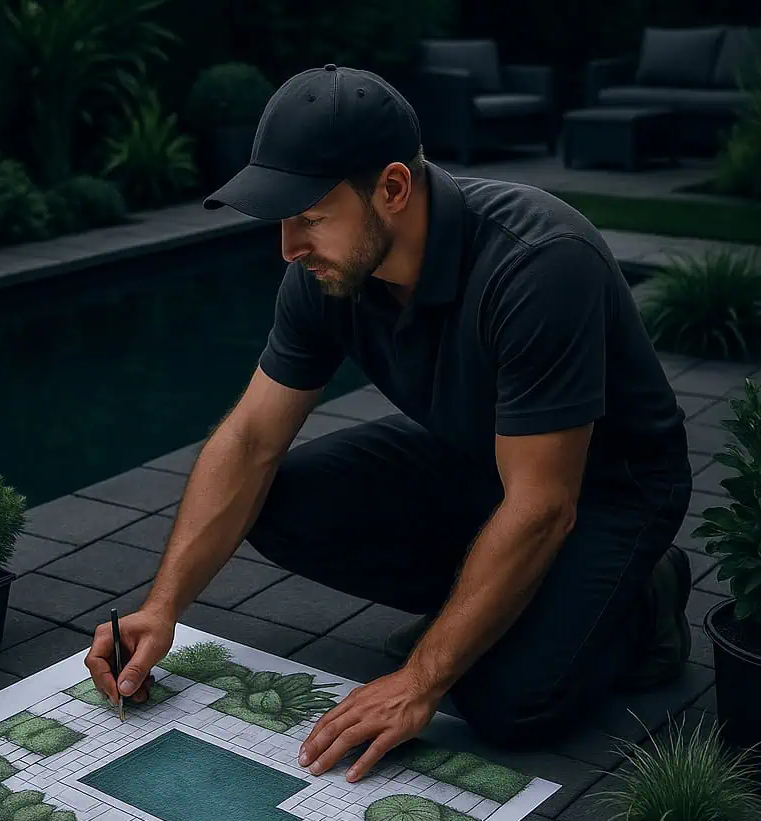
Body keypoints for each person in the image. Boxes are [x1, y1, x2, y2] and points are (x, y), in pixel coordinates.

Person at [85, 63, 694, 783]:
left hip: (604, 490)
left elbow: (543, 504)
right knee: (275, 500)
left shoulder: (538, 265)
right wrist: (164, 608)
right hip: (477, 455)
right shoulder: (328, 271)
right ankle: (493, 603)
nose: (288, 246)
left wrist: (421, 679)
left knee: (504, 704)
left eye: (308, 216)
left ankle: (645, 593)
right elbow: (250, 440)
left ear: (394, 189)